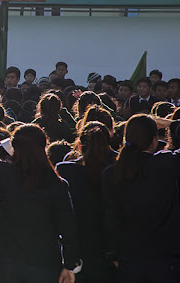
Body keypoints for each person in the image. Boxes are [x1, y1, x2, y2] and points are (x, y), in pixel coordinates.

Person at [0, 124, 81, 282]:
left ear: (16, 147)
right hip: (44, 262)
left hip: (7, 259)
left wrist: (6, 145)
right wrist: (69, 264)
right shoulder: (56, 184)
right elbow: (68, 226)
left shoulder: (3, 173)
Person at [102, 114, 180, 282]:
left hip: (129, 257)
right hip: (166, 258)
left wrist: (114, 254)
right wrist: (173, 124)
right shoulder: (166, 164)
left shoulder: (110, 173)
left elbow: (111, 218)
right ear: (154, 140)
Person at [56, 122, 117, 283]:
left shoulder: (66, 170)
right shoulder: (118, 170)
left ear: (79, 145)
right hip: (110, 248)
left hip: (78, 249)